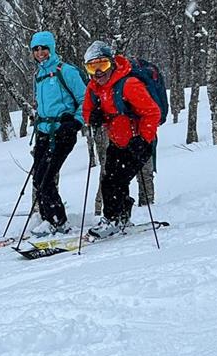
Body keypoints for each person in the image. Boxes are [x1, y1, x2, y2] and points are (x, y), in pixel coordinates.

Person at [81, 41, 162, 238]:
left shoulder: (129, 84)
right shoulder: (94, 88)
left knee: (115, 181)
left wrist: (143, 140)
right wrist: (94, 117)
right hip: (116, 142)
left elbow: (152, 113)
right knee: (111, 180)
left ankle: (111, 219)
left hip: (138, 143)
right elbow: (86, 112)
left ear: (111, 63)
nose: (98, 72)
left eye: (102, 65)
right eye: (92, 67)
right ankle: (121, 217)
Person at [28, 31, 86, 236]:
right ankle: (48, 219)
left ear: (51, 49)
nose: (40, 53)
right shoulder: (38, 75)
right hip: (44, 133)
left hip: (63, 133)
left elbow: (85, 100)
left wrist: (76, 122)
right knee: (38, 179)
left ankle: (58, 222)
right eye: (36, 49)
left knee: (46, 179)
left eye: (44, 48)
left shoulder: (66, 71)